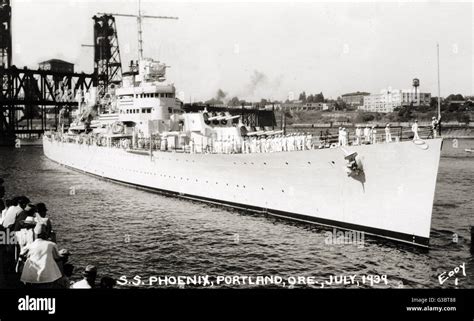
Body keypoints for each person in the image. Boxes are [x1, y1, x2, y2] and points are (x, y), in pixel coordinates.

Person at [19, 223, 63, 288]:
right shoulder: (51, 244)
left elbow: (21, 255)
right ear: (46, 234)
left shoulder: (30, 245)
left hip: (32, 277)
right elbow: (57, 257)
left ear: (36, 234)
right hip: (48, 276)